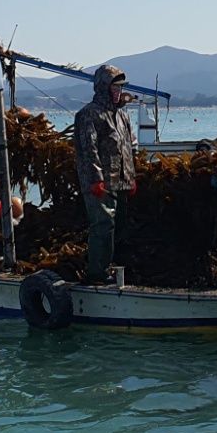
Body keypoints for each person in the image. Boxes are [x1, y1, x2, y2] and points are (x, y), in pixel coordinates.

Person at [73, 64, 137, 284]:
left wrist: (131, 177)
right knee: (102, 225)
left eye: (120, 87)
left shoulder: (122, 117)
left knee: (118, 226)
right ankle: (96, 274)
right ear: (103, 87)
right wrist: (96, 179)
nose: (118, 90)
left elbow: (128, 148)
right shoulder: (88, 114)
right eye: (115, 86)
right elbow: (88, 150)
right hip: (99, 182)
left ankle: (112, 268)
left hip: (121, 181)